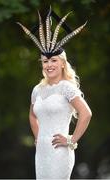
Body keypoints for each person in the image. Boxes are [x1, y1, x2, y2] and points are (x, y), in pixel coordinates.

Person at [18, 7, 92, 179]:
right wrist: (38, 138)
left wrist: (71, 140)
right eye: (45, 61)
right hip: (42, 152)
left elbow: (86, 113)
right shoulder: (37, 90)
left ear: (62, 63)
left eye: (53, 60)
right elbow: (32, 116)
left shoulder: (67, 87)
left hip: (60, 152)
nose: (49, 64)